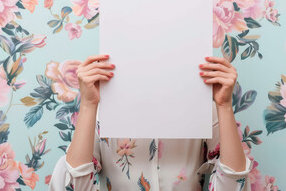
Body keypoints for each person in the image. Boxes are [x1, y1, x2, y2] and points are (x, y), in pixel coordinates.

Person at [49, 54, 253, 191]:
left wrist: (224, 105)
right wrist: (87, 105)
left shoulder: (202, 109)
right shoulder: (102, 111)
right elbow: (72, 187)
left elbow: (234, 185)